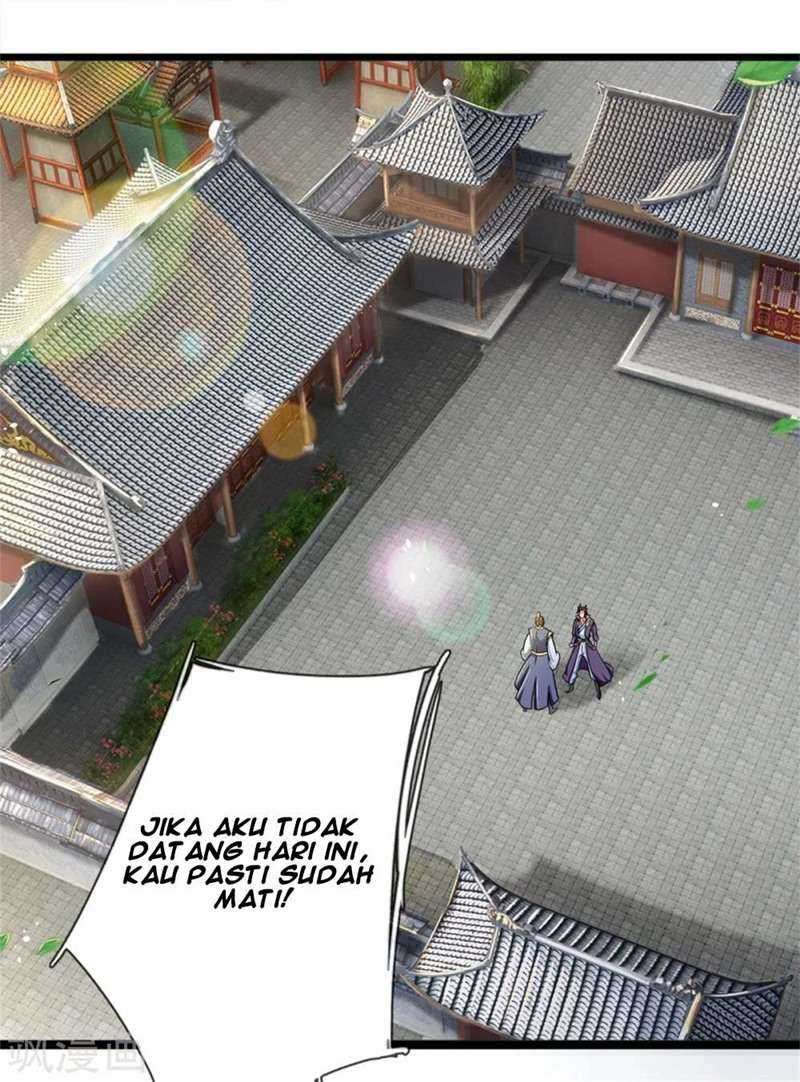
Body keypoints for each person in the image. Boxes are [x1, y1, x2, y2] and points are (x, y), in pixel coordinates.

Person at [563, 604, 614, 700]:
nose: (581, 614)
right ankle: (571, 685)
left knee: (593, 667)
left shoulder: (590, 622)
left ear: (585, 613)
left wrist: (595, 643)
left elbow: (594, 634)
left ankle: (597, 688)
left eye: (582, 612)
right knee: (574, 665)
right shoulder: (576, 622)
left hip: (587, 645)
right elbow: (574, 634)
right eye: (580, 612)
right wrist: (572, 642)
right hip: (579, 645)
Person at [515, 612, 560, 715]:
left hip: (532, 660)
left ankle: (525, 704)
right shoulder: (547, 635)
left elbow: (526, 649)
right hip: (543, 661)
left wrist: (525, 656)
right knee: (547, 683)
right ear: (543, 622)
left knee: (528, 682)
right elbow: (552, 652)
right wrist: (553, 663)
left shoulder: (531, 633)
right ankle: (551, 706)